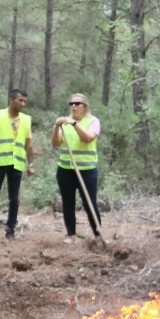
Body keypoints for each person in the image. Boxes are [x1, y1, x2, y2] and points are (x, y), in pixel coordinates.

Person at [0, 89, 35, 240]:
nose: (23, 104)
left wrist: (31, 164)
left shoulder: (27, 119)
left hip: (17, 163)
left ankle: (10, 230)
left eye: (24, 101)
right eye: (20, 100)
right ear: (11, 100)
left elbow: (29, 144)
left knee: (14, 198)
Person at [52, 93, 102, 244]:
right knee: (68, 203)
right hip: (65, 169)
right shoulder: (65, 123)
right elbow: (55, 143)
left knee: (89, 203)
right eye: (71, 103)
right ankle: (71, 235)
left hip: (86, 170)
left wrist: (74, 124)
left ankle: (98, 236)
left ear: (85, 106)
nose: (73, 106)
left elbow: (88, 138)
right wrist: (56, 127)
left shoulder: (93, 121)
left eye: (77, 103)